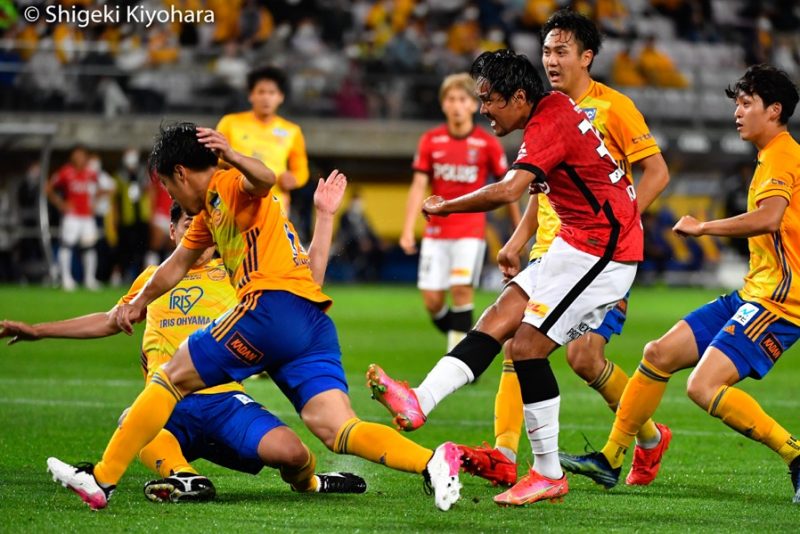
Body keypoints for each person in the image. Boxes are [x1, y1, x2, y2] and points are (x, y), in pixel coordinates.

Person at [45, 123, 463, 512]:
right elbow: (174, 266)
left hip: (269, 306)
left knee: (171, 376)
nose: (172, 197)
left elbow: (263, 179)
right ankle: (431, 462)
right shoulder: (209, 215)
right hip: (311, 322)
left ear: (180, 173)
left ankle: (101, 479)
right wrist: (137, 303)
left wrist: (231, 153)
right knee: (336, 427)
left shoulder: (227, 183)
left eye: (169, 186)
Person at [369, 8, 671, 490]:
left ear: (519, 97)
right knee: (498, 320)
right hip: (574, 242)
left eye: (489, 101)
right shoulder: (551, 110)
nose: (483, 110)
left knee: (532, 348)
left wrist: (445, 206)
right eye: (547, 50)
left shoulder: (563, 118)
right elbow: (541, 189)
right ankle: (419, 401)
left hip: (603, 251)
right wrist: (519, 239)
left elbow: (511, 190)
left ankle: (549, 472)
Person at [4, 175, 366, 503]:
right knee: (131, 418)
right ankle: (187, 478)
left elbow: (308, 283)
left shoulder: (238, 273)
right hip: (167, 401)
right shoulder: (153, 279)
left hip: (222, 400)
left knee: (293, 454)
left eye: (203, 224)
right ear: (175, 233)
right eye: (189, 223)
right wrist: (38, 331)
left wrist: (325, 217)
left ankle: (313, 483)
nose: (200, 231)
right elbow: (108, 320)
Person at [560, 64, 800, 503]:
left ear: (775, 110)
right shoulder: (771, 156)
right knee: (658, 353)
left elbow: (769, 217)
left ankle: (795, 455)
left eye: (747, 104)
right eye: (736, 104)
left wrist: (704, 227)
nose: (738, 112)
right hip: (752, 292)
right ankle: (613, 457)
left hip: (781, 303)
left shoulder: (784, 154)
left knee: (702, 387)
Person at [400, 72, 512, 352]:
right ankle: (469, 340)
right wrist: (406, 230)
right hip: (436, 232)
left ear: (473, 106)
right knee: (432, 301)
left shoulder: (487, 143)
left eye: (463, 99)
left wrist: (517, 229)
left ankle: (459, 361)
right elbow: (418, 186)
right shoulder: (430, 141)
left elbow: (509, 188)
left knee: (462, 290)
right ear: (443, 104)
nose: (457, 105)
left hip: (470, 231)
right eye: (451, 99)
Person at [216, 65, 309, 213]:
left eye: (272, 93)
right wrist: (229, 163)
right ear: (251, 95)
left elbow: (301, 169)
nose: (266, 97)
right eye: (261, 92)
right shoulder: (230, 123)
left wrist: (294, 179)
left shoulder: (292, 131)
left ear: (281, 97)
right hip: (235, 199)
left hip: (275, 204)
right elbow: (215, 159)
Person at [46, 145, 100, 291]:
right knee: (67, 245)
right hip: (72, 216)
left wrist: (95, 203)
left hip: (87, 216)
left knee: (89, 247)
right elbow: (48, 188)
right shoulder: (66, 172)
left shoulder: (91, 173)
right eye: (76, 155)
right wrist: (60, 203)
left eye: (81, 155)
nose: (79, 158)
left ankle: (90, 279)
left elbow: (103, 188)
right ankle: (66, 279)